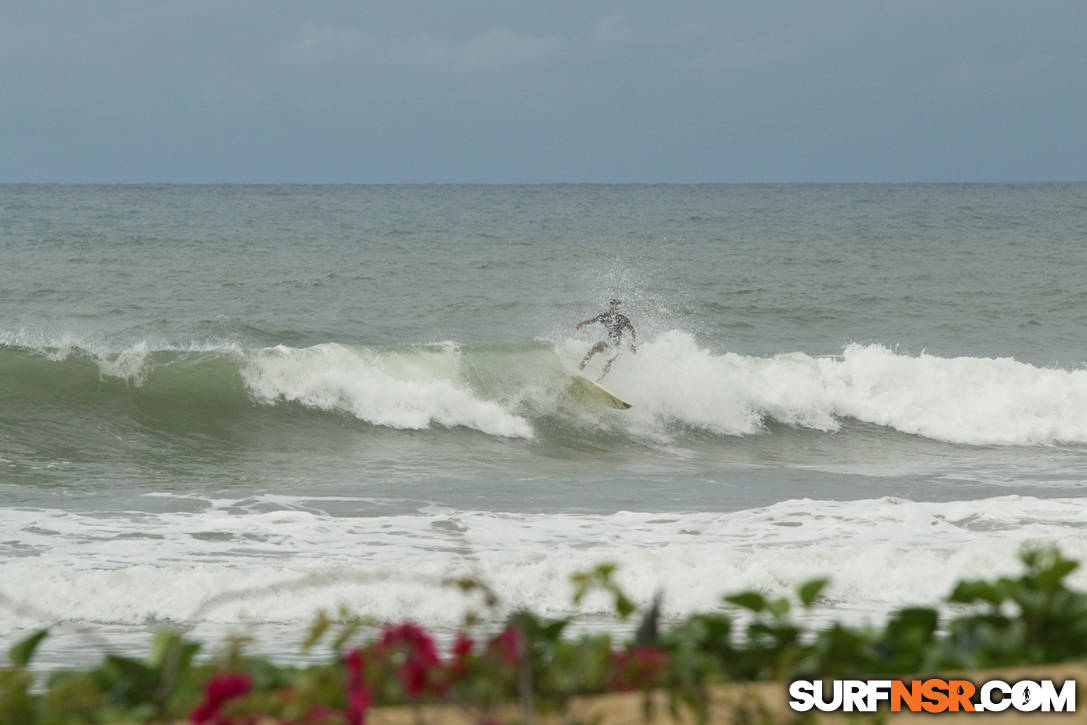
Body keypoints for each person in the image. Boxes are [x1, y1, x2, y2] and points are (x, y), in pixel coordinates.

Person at [575, 298, 637, 379]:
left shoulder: (623, 319)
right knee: (595, 347)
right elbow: (593, 320)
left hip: (620, 342)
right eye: (612, 306)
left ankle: (601, 379)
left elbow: (632, 330)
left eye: (616, 307)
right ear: (610, 306)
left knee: (609, 360)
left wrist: (633, 344)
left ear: (618, 308)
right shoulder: (604, 316)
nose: (614, 309)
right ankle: (580, 369)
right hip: (609, 341)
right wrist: (582, 323)